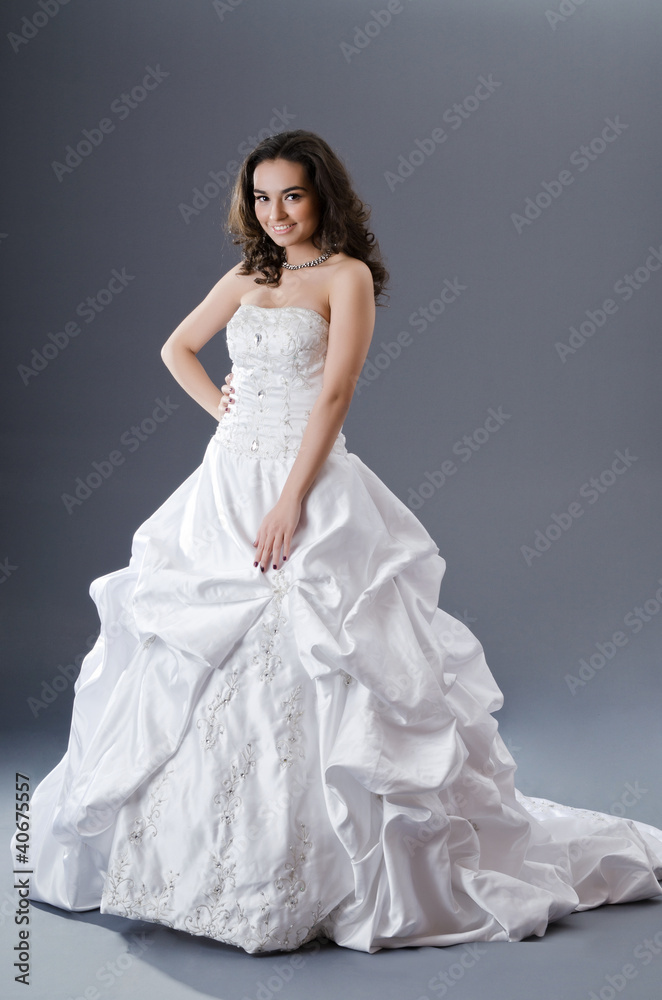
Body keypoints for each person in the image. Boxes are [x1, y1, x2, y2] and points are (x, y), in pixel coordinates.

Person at [13, 130, 662, 956]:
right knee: (196, 661)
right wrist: (228, 416)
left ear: (323, 195)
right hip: (225, 486)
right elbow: (176, 347)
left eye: (291, 195)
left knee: (326, 653)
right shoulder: (250, 275)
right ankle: (194, 868)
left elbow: (335, 395)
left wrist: (289, 500)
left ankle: (330, 874)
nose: (275, 214)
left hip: (308, 486)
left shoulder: (346, 276)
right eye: (260, 197)